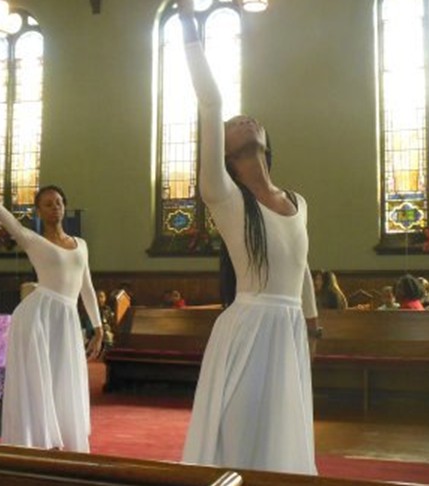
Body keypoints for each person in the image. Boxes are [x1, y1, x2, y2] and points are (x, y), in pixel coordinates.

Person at [177, 0, 318, 474]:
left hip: (289, 327)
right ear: (225, 149)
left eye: (250, 119)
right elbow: (211, 101)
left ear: (267, 142)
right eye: (234, 124)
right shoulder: (225, 198)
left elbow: (300, 268)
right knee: (239, 429)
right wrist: (188, 22)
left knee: (283, 430)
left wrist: (313, 323)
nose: (244, 119)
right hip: (249, 328)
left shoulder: (297, 201)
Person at [0, 140, 103, 452]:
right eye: (48, 203)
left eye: (59, 202)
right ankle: (39, 442)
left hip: (66, 317)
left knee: (65, 378)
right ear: (38, 210)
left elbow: (86, 286)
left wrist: (98, 326)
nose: (55, 207)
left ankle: (64, 439)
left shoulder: (81, 244)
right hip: (38, 315)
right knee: (40, 379)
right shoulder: (31, 240)